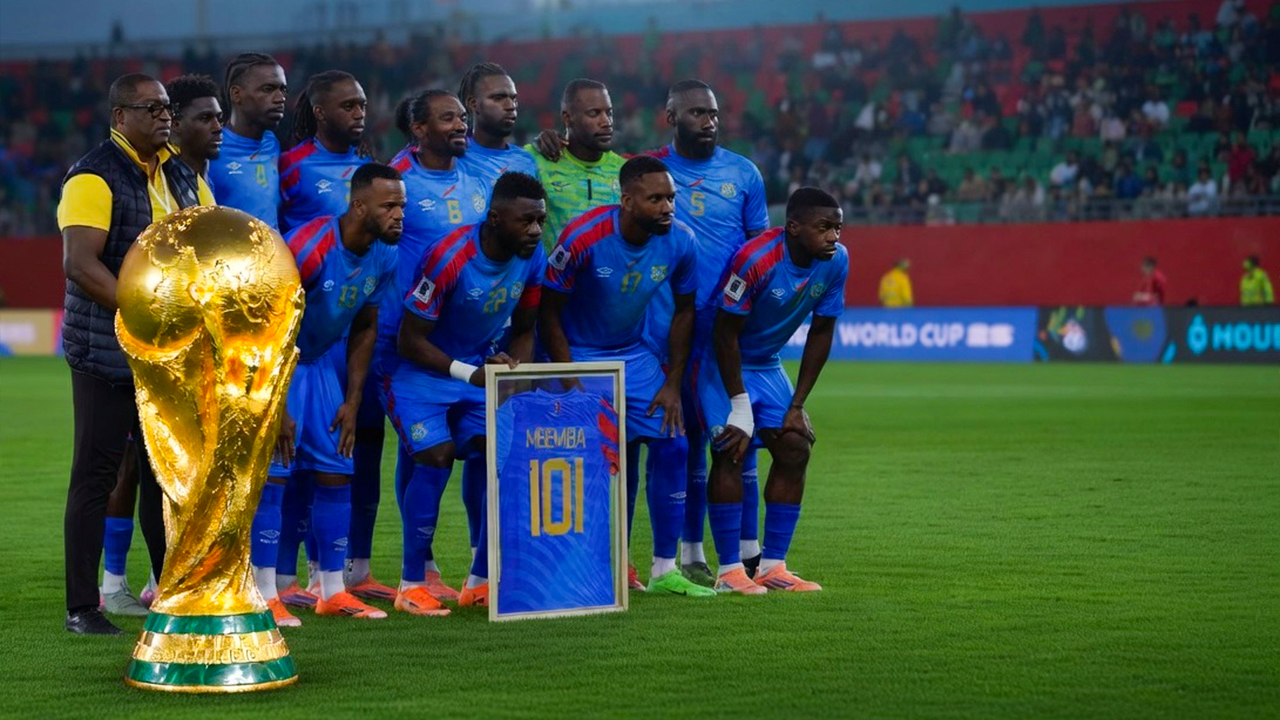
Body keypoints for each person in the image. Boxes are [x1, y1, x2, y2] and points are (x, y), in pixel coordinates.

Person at [58, 73, 213, 634]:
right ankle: (82, 607)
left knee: (166, 477)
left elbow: (207, 250)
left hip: (169, 355)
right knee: (97, 476)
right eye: (151, 108)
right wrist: (148, 311)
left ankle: (172, 593)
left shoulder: (185, 176)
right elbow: (81, 265)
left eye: (167, 107)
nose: (164, 116)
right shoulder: (92, 176)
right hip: (106, 352)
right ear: (120, 117)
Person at [539, 156, 714, 598]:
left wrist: (672, 383)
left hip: (634, 356)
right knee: (593, 463)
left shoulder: (681, 241)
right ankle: (596, 565)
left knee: (674, 443)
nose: (667, 207)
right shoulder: (583, 237)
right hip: (580, 355)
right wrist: (568, 377)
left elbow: (686, 312)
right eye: (656, 199)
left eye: (671, 198)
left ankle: (664, 569)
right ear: (627, 201)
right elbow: (548, 310)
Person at [388, 172, 548, 613]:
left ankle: (480, 581)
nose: (536, 230)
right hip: (421, 370)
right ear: (494, 218)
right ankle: (411, 585)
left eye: (540, 220)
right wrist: (469, 373)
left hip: (478, 367)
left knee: (501, 458)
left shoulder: (533, 256)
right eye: (526, 221)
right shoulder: (449, 257)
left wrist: (513, 374)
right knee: (435, 457)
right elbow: (409, 340)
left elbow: (526, 329)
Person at [255, 162, 405, 624]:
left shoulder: (385, 255)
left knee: (338, 468)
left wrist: (353, 399)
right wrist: (276, 404)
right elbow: (267, 324)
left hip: (320, 364)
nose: (399, 215)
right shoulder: (307, 247)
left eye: (401, 205)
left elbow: (365, 325)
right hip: (276, 362)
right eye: (389, 206)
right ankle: (263, 593)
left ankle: (333, 590)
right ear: (358, 206)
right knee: (275, 473)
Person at [644, 79, 771, 587]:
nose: (709, 121)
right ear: (670, 117)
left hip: (726, 329)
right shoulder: (651, 170)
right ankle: (688, 552)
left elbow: (761, 253)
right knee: (682, 439)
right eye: (697, 112)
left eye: (713, 113)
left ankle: (748, 553)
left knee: (736, 438)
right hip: (668, 326)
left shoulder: (744, 173)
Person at [701, 187, 849, 595]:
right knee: (731, 448)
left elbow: (822, 330)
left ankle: (772, 567)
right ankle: (729, 571)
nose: (834, 236)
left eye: (838, 228)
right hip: (722, 362)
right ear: (794, 227)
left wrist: (797, 404)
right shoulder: (756, 259)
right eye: (824, 227)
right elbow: (724, 333)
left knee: (795, 446)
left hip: (767, 364)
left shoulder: (837, 261)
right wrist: (739, 405)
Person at [381, 89, 489, 601]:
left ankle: (468, 568)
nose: (461, 125)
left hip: (463, 339)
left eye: (463, 117)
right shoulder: (396, 178)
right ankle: (418, 569)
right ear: (419, 129)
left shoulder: (476, 179)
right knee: (422, 448)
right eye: (449, 118)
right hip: (407, 337)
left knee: (471, 447)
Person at [526, 79, 627, 250]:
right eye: (594, 113)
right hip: (551, 267)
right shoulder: (537, 160)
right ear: (567, 118)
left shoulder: (624, 170)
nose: (606, 122)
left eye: (609, 113)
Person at [279, 70, 373, 232]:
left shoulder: (367, 163)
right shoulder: (292, 165)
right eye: (348, 107)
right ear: (320, 113)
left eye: (362, 106)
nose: (359, 114)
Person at [208, 53, 287, 228]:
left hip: (275, 246)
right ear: (237, 94)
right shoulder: (212, 149)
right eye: (268, 89)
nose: (280, 98)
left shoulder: (272, 143)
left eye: (283, 89)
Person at [456, 62, 540, 186]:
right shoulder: (454, 157)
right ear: (473, 104)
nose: (511, 106)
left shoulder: (526, 161)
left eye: (513, 99)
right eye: (498, 98)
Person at [166, 74, 223, 183]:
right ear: (175, 124)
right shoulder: (159, 181)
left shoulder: (218, 179)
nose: (218, 128)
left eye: (219, 118)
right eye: (205, 118)